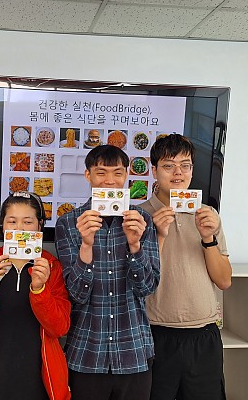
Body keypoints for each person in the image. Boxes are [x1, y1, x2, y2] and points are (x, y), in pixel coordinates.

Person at [55, 145, 160, 400]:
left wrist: (135, 246)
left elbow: (148, 288)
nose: (110, 181)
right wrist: (86, 245)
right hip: (87, 352)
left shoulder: (142, 220)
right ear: (88, 175)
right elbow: (76, 294)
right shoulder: (69, 223)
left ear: (126, 176)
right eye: (101, 172)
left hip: (134, 349)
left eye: (117, 173)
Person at [140, 133, 232, 400]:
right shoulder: (139, 215)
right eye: (168, 165)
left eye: (185, 165)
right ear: (154, 170)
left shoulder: (208, 215)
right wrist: (157, 234)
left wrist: (208, 238)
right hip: (155, 332)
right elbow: (135, 280)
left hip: (204, 334)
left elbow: (224, 280)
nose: (178, 172)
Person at [0, 191, 71, 400]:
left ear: (39, 226)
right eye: (12, 221)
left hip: (39, 382)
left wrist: (40, 289)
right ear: (2, 226)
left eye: (28, 222)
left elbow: (59, 328)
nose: (19, 229)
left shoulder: (51, 267)